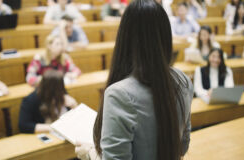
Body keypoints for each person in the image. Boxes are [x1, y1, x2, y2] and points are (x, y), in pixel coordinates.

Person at [75, 0, 193, 159]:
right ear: (166, 36)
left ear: (125, 36)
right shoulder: (184, 80)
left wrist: (89, 153)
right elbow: (182, 147)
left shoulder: (119, 94)